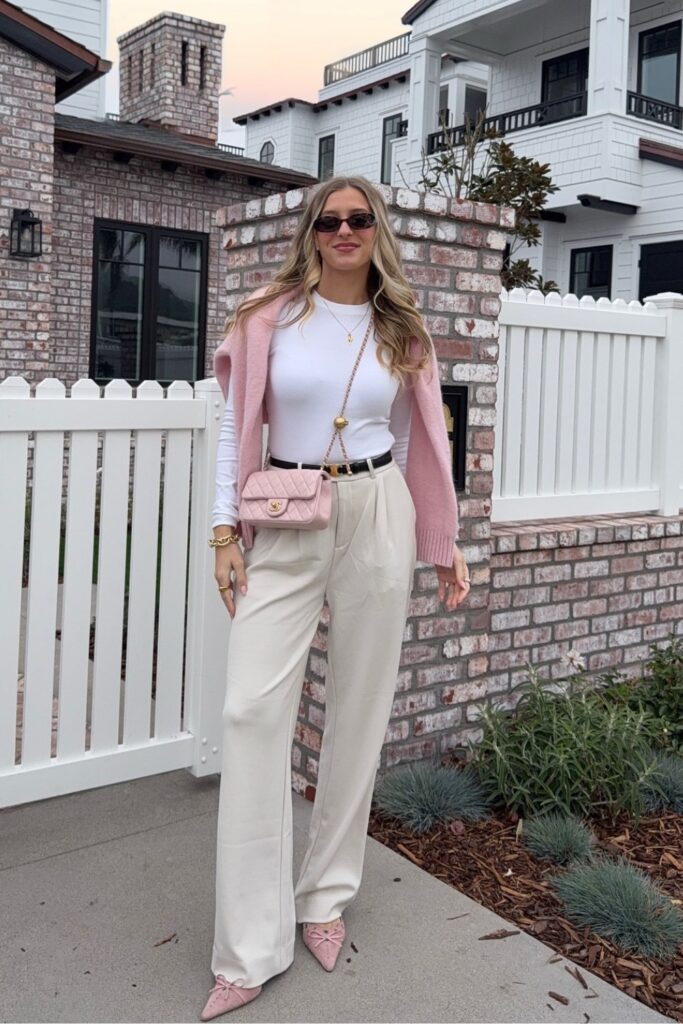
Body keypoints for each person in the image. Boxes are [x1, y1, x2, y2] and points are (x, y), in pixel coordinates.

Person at [201, 175, 470, 1021]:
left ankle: (323, 898)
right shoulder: (267, 318)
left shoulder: (403, 327)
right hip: (284, 514)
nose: (344, 230)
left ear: (375, 229)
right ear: (311, 232)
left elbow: (425, 440)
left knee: (358, 707)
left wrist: (445, 541)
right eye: (329, 219)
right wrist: (222, 534)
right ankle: (248, 947)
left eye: (358, 218)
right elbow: (231, 429)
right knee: (250, 711)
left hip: (378, 508)